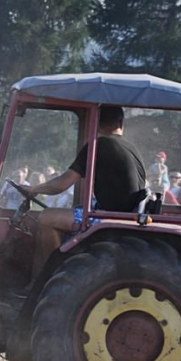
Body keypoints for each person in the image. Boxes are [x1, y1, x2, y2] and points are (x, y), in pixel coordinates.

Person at [26, 105, 146, 279]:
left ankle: (48, 280)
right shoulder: (130, 147)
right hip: (122, 215)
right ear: (121, 121)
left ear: (96, 123)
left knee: (46, 218)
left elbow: (61, 184)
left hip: (110, 218)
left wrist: (34, 189)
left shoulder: (99, 145)